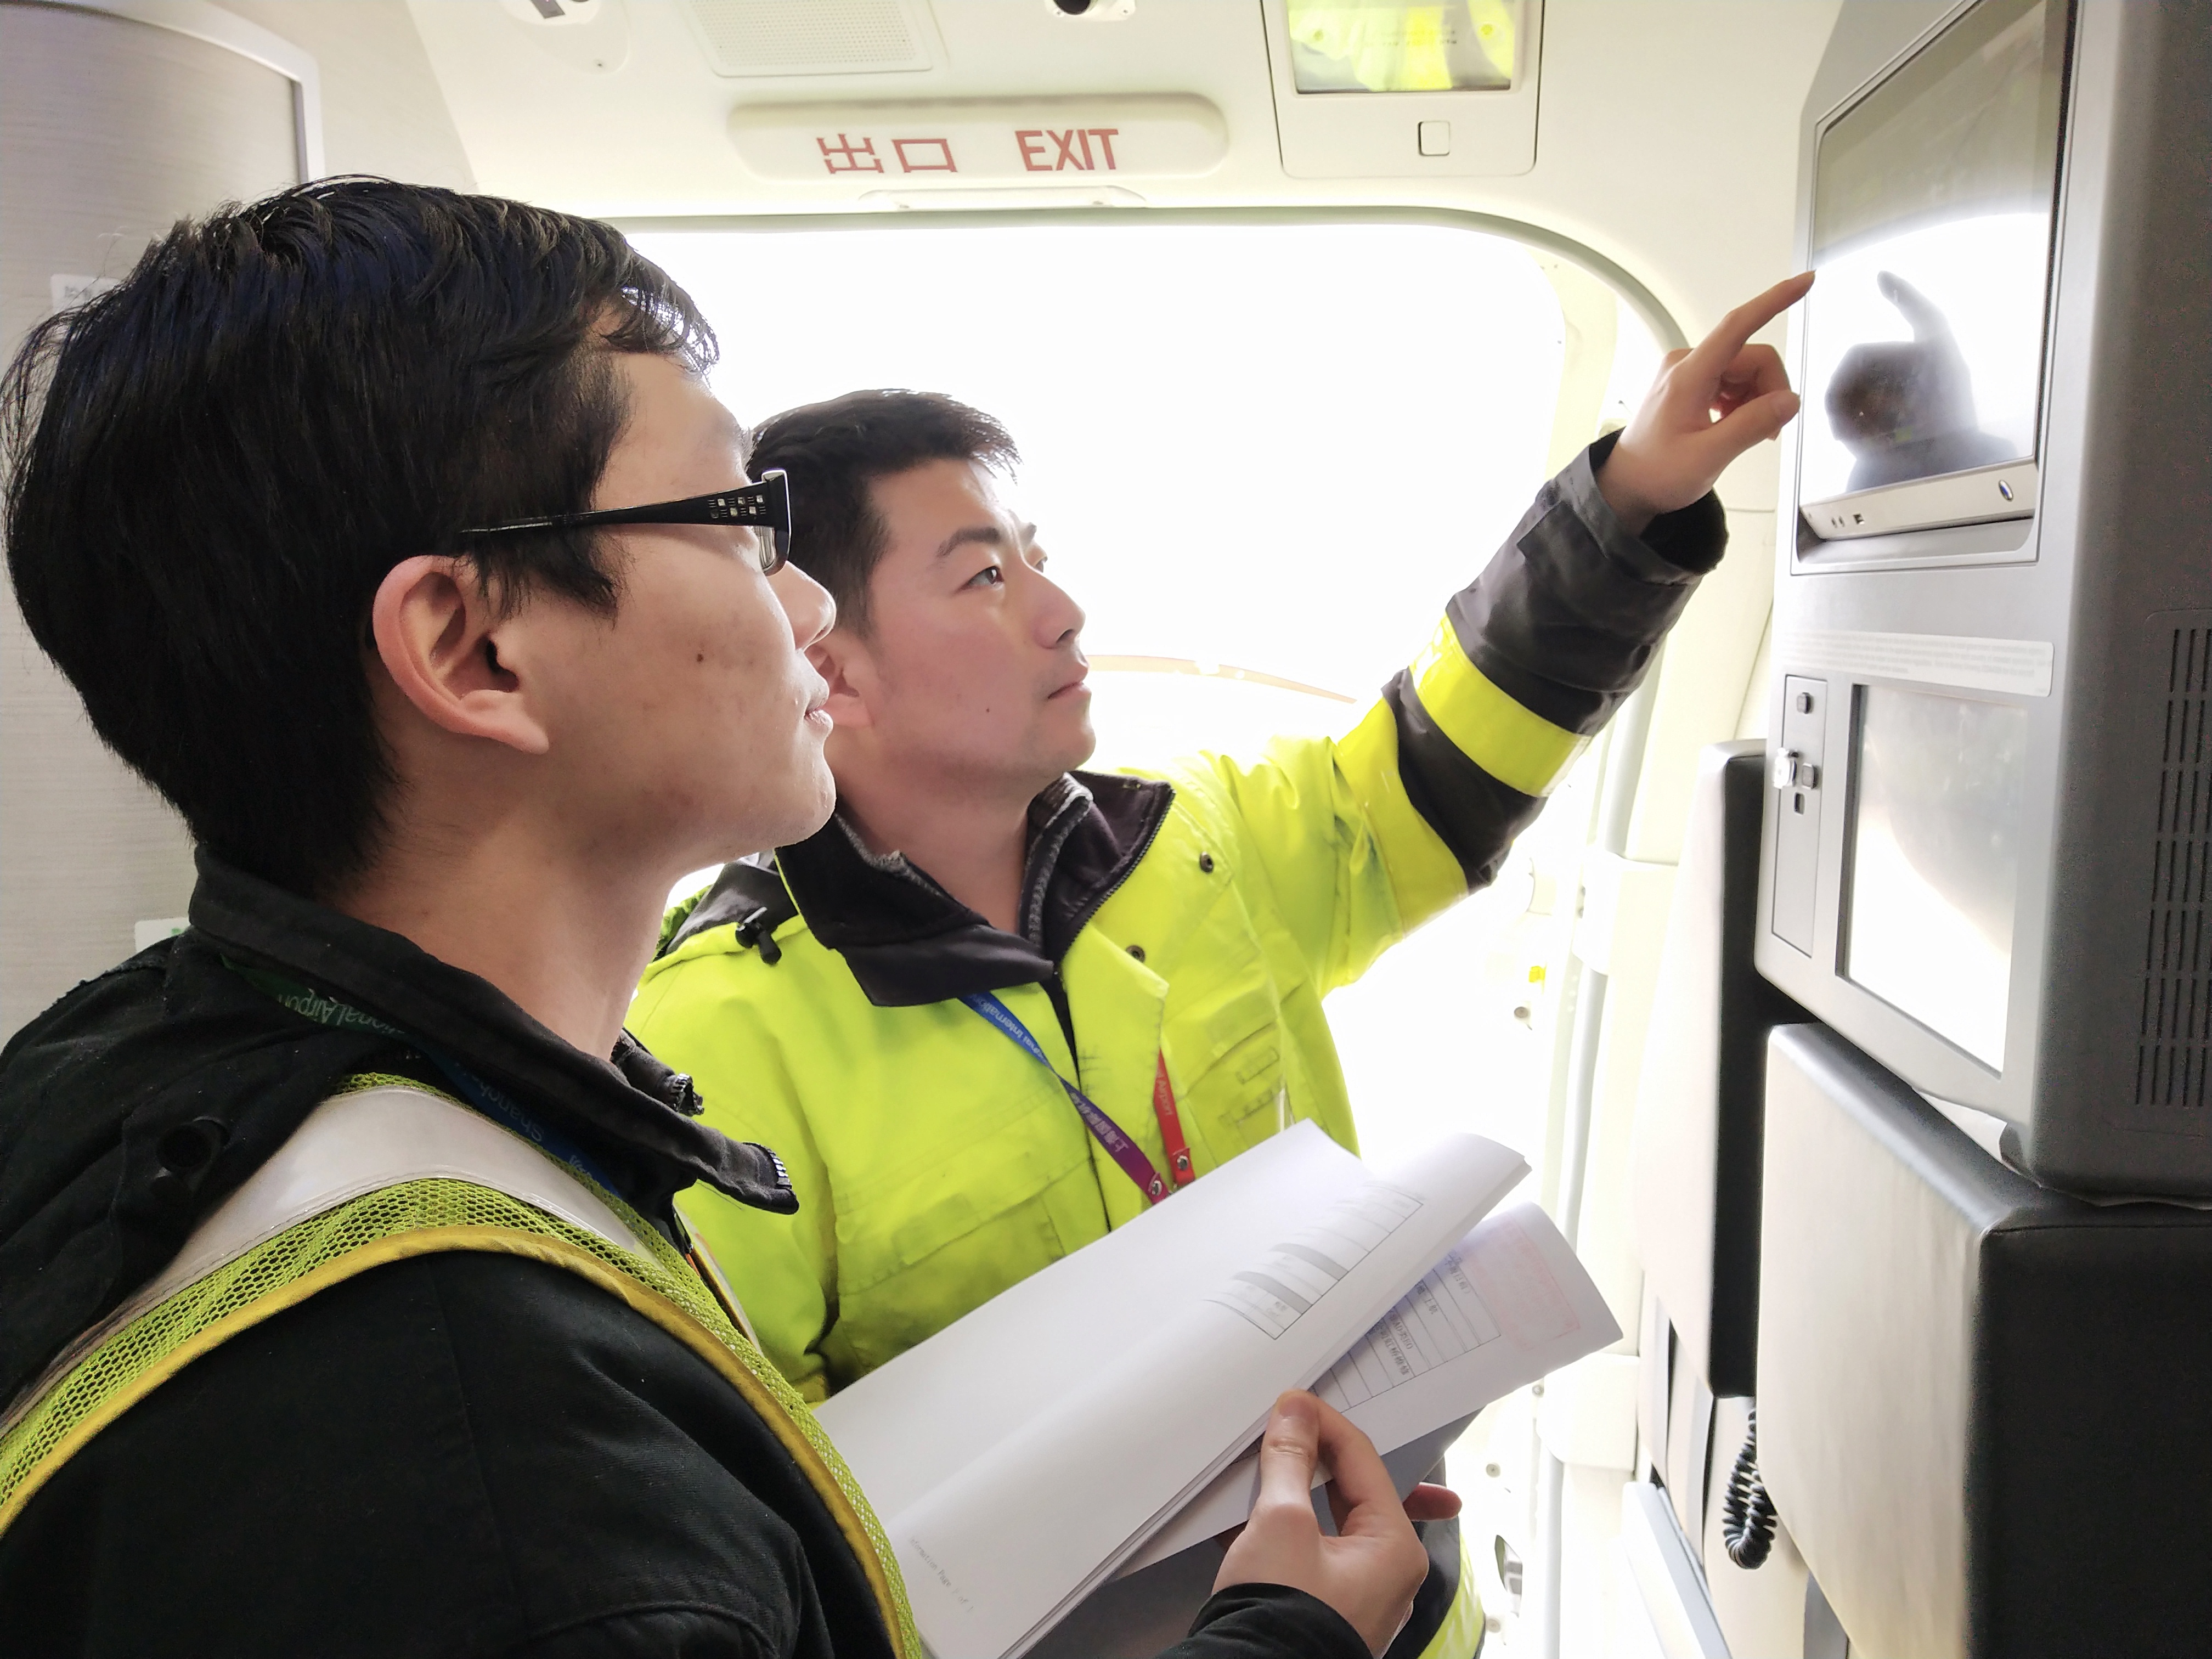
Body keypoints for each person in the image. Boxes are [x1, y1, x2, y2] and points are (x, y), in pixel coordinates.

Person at [0, 178, 1445, 1659]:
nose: (809, 609)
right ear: (474, 648)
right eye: (746, 523)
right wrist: (1286, 1638)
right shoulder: (502, 1491)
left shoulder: (164, 1068)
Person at [630, 273, 1812, 1658]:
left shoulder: (1199, 838)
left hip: (1394, 1608)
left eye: (1039, 556)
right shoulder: (718, 1033)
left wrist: (1626, 504)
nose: (1064, 610)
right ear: (831, 665)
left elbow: (1441, 765)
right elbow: (756, 1498)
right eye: (987, 577)